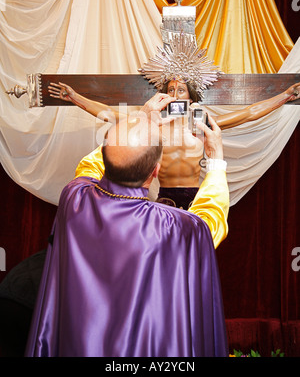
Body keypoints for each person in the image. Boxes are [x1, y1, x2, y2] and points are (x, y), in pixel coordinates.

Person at [25, 95, 230, 357]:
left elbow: (90, 165)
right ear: (155, 172)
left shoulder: (74, 198)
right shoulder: (172, 226)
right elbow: (209, 220)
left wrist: (140, 119)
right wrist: (215, 161)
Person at [48, 77, 300, 208]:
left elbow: (249, 113)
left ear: (190, 96)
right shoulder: (153, 123)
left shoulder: (200, 122)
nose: (175, 95)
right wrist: (75, 98)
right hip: (163, 200)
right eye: (170, 90)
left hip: (196, 198)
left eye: (181, 90)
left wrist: (285, 96)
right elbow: (108, 114)